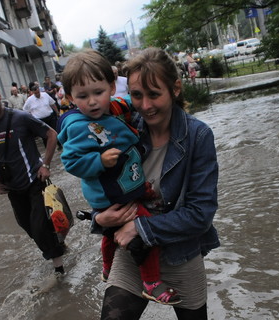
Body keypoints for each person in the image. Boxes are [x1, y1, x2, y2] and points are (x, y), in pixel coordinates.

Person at [93, 48, 220, 319]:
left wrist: (139, 227)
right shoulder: (123, 128)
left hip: (180, 254)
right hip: (132, 255)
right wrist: (99, 218)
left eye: (154, 94)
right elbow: (101, 188)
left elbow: (201, 215)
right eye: (137, 95)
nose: (145, 106)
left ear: (175, 89)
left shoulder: (199, 136)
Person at [57, 49, 180, 305]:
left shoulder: (114, 110)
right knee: (146, 232)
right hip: (112, 194)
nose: (92, 102)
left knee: (108, 235)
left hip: (120, 189)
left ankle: (106, 267)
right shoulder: (80, 126)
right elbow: (69, 161)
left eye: (98, 93)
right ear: (70, 97)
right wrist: (97, 161)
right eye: (82, 96)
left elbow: (128, 103)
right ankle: (151, 282)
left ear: (112, 87)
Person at [0, 81, 66, 277]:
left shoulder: (21, 117)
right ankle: (57, 243)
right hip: (11, 186)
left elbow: (51, 134)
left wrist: (46, 165)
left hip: (34, 180)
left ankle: (59, 270)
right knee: (28, 225)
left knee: (40, 226)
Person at [23, 82, 60, 147]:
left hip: (50, 117)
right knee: (45, 136)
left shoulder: (45, 95)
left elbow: (52, 104)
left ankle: (60, 144)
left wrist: (57, 112)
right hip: (40, 120)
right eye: (36, 93)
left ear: (39, 90)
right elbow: (25, 111)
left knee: (55, 131)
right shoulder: (29, 100)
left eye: (38, 92)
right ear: (32, 92)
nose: (37, 94)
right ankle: (48, 148)